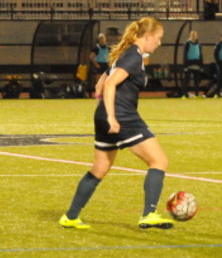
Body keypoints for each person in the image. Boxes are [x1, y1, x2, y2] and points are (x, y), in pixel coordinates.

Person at [59, 17, 174, 230]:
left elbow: (101, 83)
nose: (159, 43)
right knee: (158, 161)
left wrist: (103, 108)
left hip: (105, 114)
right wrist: (112, 116)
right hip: (122, 115)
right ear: (148, 36)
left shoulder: (127, 54)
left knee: (100, 168)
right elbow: (110, 83)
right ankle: (149, 215)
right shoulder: (133, 56)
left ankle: (70, 216)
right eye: (158, 38)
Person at [182, 30, 202, 98]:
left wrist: (201, 64)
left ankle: (196, 94)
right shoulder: (187, 44)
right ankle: (184, 94)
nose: (194, 36)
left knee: (197, 81)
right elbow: (185, 54)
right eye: (192, 35)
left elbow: (200, 55)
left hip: (196, 64)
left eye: (195, 35)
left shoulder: (199, 44)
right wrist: (185, 65)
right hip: (189, 64)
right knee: (186, 80)